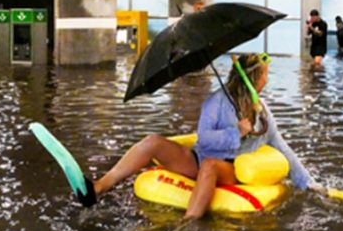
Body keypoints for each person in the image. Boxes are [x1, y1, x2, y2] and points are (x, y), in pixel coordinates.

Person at [84, 53, 327, 219]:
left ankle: (186, 227)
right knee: (152, 142)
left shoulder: (261, 111)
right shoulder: (216, 101)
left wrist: (307, 183)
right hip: (200, 157)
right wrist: (236, 132)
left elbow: (281, 146)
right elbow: (205, 139)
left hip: (229, 168)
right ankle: (100, 186)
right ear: (254, 78)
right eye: (265, 74)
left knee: (210, 165)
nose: (267, 78)